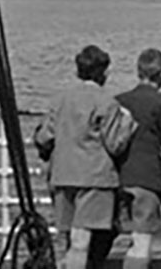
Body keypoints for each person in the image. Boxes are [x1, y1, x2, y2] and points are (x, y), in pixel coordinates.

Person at [34, 45, 137, 269]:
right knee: (82, 241)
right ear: (103, 73)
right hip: (94, 178)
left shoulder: (60, 99)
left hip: (62, 175)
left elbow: (44, 137)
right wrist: (127, 122)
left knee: (68, 239)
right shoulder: (106, 102)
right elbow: (115, 144)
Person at [115, 48, 161, 269]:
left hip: (120, 175)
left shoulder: (120, 100)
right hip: (147, 177)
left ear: (138, 71)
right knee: (142, 242)